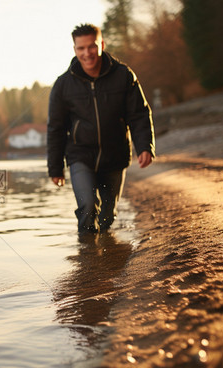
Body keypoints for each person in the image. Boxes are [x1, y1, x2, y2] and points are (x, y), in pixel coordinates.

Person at [47, 23, 155, 233]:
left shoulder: (124, 75)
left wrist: (145, 146)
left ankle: (107, 257)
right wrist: (55, 168)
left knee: (107, 214)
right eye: (81, 48)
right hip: (80, 156)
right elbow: (56, 128)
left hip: (115, 156)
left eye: (91, 46)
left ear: (101, 45)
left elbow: (139, 114)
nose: (87, 53)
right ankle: (88, 261)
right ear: (75, 50)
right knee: (87, 206)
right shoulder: (63, 85)